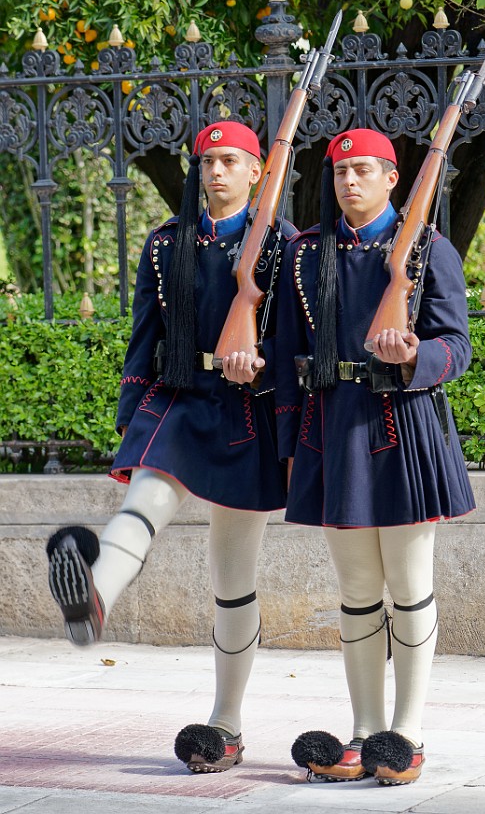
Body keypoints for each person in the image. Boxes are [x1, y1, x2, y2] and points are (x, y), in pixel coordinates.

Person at [46, 121, 297, 774]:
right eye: (207, 161)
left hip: (250, 413)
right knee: (146, 500)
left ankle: (228, 724)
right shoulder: (166, 246)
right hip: (185, 396)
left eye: (230, 161)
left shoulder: (282, 248)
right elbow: (142, 338)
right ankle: (94, 596)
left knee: (232, 578)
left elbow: (299, 345)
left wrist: (263, 365)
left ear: (256, 173)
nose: (215, 172)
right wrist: (134, 423)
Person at [275, 128, 475, 785]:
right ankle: (364, 732)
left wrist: (418, 356)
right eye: (339, 172)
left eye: (363, 171)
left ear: (393, 178)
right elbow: (283, 361)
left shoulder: (426, 250)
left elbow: (457, 345)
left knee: (410, 587)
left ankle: (407, 736)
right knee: (358, 593)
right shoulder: (307, 257)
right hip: (333, 429)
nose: (348, 182)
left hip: (404, 426)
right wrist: (287, 452)